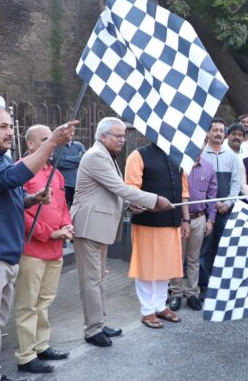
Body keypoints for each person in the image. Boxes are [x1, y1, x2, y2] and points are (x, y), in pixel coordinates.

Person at [0, 106, 76, 381]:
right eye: (2, 127)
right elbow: (7, 179)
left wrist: (32, 199)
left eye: (11, 126)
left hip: (4, 255)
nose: (10, 132)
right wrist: (52, 144)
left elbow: (9, 195)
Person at [71, 117, 172, 347]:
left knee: (97, 279)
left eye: (123, 136)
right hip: (89, 227)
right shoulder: (96, 156)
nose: (122, 140)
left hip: (99, 227)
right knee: (91, 281)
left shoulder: (106, 156)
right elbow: (120, 188)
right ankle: (93, 330)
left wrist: (130, 206)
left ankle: (98, 323)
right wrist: (155, 199)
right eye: (118, 136)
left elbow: (112, 193)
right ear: (103, 136)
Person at [14, 125, 73, 374]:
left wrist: (67, 225)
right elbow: (20, 213)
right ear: (31, 145)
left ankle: (41, 345)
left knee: (44, 302)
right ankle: (26, 356)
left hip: (54, 249)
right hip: (32, 249)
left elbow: (63, 205)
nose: (52, 143)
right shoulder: (20, 171)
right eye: (45, 139)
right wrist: (50, 232)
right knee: (28, 304)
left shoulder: (55, 173)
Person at [125, 143, 189, 328]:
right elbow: (131, 190)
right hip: (147, 222)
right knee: (146, 267)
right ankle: (147, 311)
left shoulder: (178, 155)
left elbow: (184, 193)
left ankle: (160, 306)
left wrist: (186, 220)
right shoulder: (138, 155)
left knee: (165, 267)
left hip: (172, 222)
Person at [168, 149, 217, 311]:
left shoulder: (209, 167)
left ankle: (192, 294)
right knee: (177, 258)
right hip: (181, 220)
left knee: (194, 259)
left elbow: (213, 195)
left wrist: (211, 219)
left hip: (200, 218)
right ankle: (176, 293)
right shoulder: (178, 165)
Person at [200, 119, 241, 298]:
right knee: (204, 249)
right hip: (206, 211)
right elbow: (197, 184)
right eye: (215, 130)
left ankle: (220, 285)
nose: (218, 133)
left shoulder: (231, 156)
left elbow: (236, 182)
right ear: (208, 133)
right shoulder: (200, 155)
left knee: (223, 247)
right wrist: (212, 204)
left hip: (226, 211)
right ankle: (204, 286)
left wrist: (228, 203)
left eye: (221, 130)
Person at [54, 134, 85, 207]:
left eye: (71, 133)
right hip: (64, 184)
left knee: (76, 209)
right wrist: (76, 161)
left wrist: (66, 158)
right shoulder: (57, 147)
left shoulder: (79, 145)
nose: (69, 135)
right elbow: (59, 162)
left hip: (77, 184)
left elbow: (84, 160)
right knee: (63, 207)